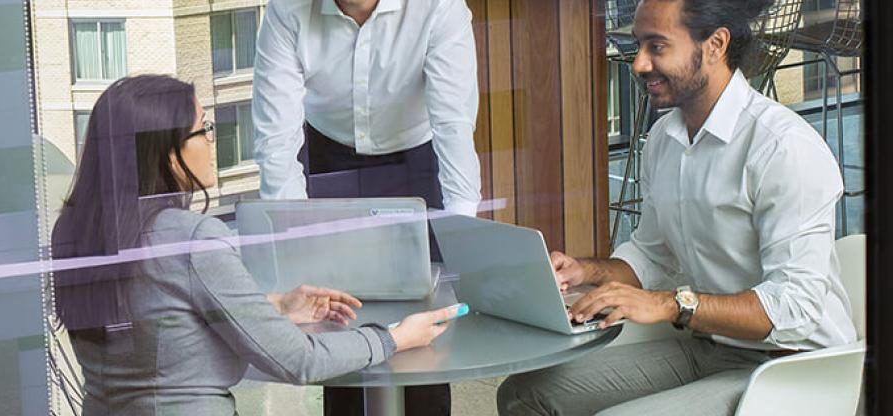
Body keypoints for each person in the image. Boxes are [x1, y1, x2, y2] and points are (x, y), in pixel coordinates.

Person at [496, 0, 857, 414]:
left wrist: (671, 304)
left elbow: (794, 309)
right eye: (639, 46)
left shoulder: (783, 148)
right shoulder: (666, 138)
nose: (639, 64)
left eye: (657, 46)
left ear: (715, 44)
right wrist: (586, 271)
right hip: (709, 346)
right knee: (524, 393)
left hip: (794, 367)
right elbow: (654, 254)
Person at [51, 74, 460, 415]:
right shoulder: (192, 239)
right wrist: (393, 337)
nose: (213, 140)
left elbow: (158, 323)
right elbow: (299, 361)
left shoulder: (76, 233)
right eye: (203, 129)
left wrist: (271, 307)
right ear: (170, 157)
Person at [252, 0, 482, 217]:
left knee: (429, 254)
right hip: (326, 150)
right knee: (322, 253)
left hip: (417, 154)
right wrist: (289, 233)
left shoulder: (439, 5)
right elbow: (276, 141)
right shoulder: (285, 8)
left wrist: (461, 228)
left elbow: (453, 123)